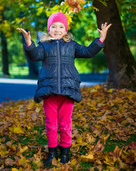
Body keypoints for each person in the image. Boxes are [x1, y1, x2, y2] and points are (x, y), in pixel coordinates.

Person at [17, 12, 112, 166]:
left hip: (68, 90)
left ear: (66, 30)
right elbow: (34, 55)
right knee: (51, 123)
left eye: (61, 26)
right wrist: (29, 43)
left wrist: (100, 40)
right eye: (53, 26)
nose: (57, 29)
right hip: (49, 91)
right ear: (49, 30)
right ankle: (52, 152)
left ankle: (65, 152)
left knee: (65, 123)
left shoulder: (72, 45)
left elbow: (88, 52)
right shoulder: (44, 46)